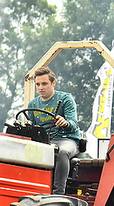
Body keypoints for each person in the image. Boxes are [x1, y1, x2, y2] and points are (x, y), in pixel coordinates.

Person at [27, 67, 81, 195]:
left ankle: (58, 193)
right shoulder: (32, 105)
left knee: (62, 152)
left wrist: (65, 122)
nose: (41, 87)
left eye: (44, 84)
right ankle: (32, 189)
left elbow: (73, 124)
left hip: (66, 138)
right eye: (38, 84)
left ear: (53, 83)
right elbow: (32, 128)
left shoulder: (65, 99)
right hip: (44, 140)